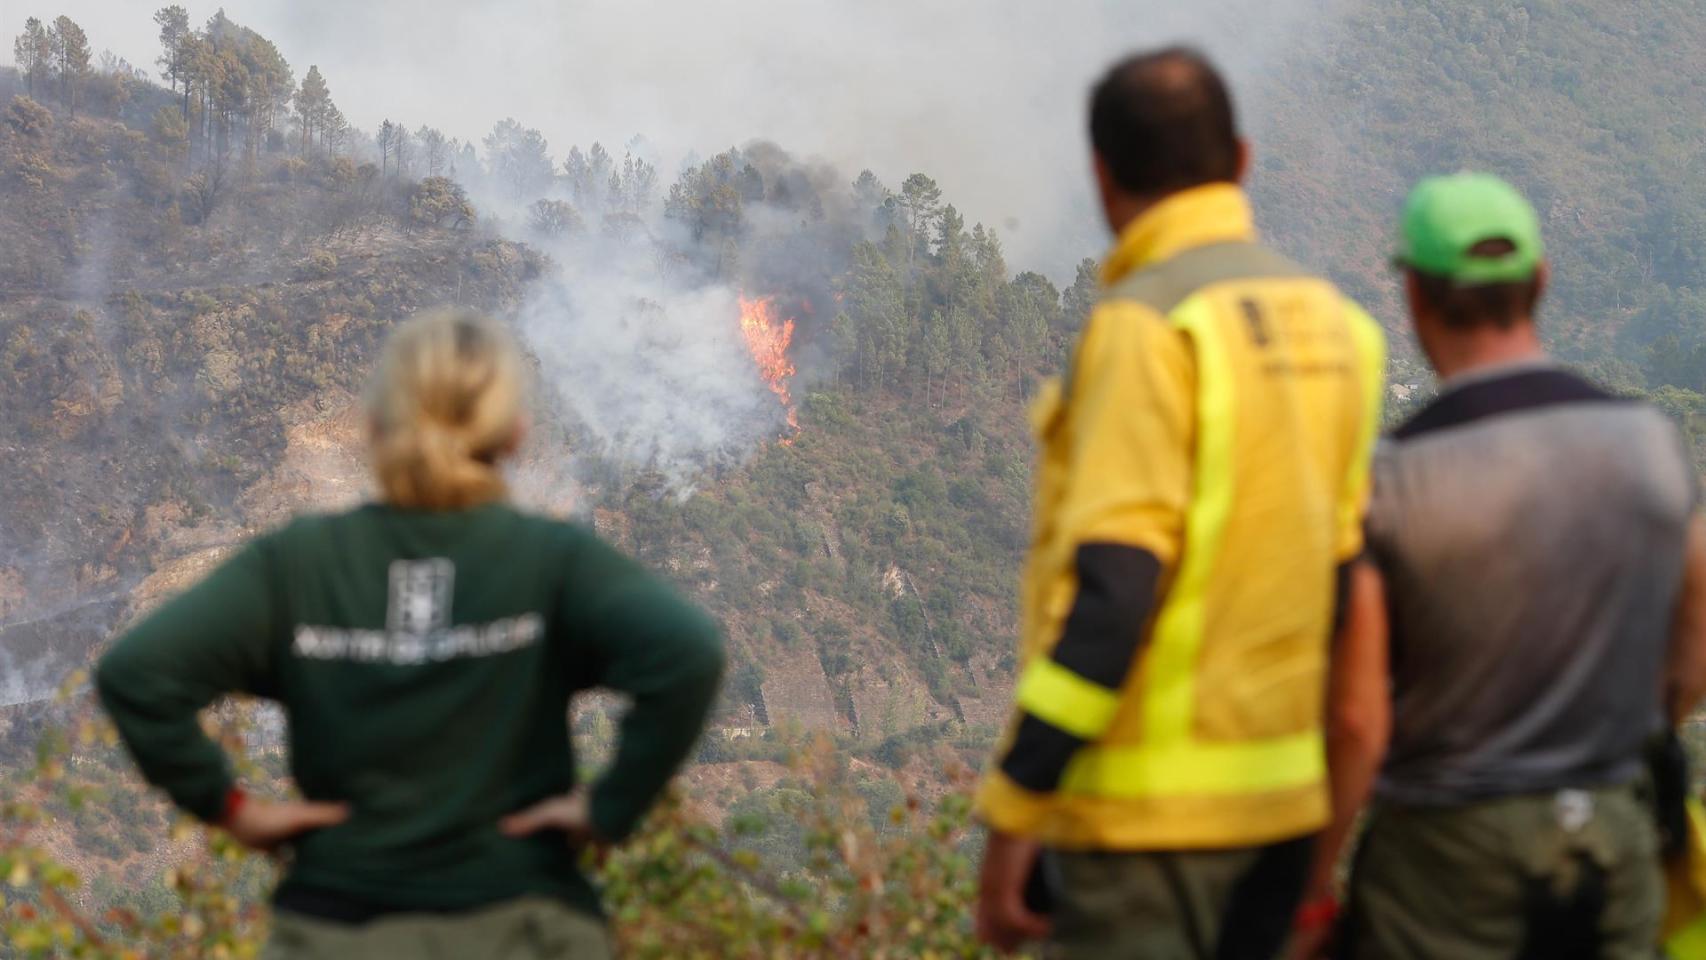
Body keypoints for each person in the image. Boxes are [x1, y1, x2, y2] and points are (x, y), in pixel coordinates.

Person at [95, 310, 725, 959]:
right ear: (514, 434)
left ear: (372, 428)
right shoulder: (550, 561)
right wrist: (608, 809)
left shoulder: (299, 564)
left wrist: (231, 808)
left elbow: (137, 674)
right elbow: (688, 653)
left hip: (338, 931)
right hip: (523, 928)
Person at [973, 47, 1388, 959]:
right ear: (1241, 161)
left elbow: (1116, 590)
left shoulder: (1147, 326)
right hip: (1284, 815)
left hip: (1146, 829)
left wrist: (1014, 810)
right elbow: (1352, 596)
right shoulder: (1342, 329)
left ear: (1102, 176)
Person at [1300, 173, 1706, 960]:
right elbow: (1698, 628)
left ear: (1414, 295)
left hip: (1447, 865)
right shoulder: (1651, 446)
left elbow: (1355, 718)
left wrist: (1314, 886)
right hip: (1612, 845)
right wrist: (1642, 723)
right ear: (1541, 282)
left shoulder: (1393, 482)